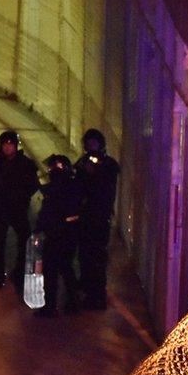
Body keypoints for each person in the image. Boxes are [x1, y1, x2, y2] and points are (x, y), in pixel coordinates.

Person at [0, 130, 39, 289]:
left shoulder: (26, 164)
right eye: (5, 145)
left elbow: (33, 184)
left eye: (10, 144)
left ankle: (20, 271)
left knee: (24, 240)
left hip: (18, 209)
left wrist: (22, 196)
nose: (8, 148)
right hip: (0, 210)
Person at [73, 129, 119, 310]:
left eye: (94, 143)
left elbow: (105, 189)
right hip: (85, 218)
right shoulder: (83, 163)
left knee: (97, 257)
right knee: (84, 254)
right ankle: (86, 284)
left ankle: (97, 296)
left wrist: (94, 172)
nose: (91, 147)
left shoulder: (108, 165)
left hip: (99, 218)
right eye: (88, 143)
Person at [33, 155, 82, 317]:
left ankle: (51, 306)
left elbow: (48, 212)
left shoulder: (57, 188)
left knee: (53, 269)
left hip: (58, 233)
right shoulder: (73, 186)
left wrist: (39, 228)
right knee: (65, 267)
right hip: (68, 232)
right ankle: (71, 303)